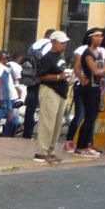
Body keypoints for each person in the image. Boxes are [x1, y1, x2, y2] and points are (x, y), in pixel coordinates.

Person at [27, 29, 73, 163]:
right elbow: (40, 76)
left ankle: (51, 150)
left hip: (61, 92)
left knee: (57, 123)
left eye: (65, 43)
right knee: (47, 122)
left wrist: (66, 78)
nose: (64, 45)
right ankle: (42, 151)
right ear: (53, 43)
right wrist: (59, 77)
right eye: (61, 43)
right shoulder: (47, 58)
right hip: (50, 91)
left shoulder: (60, 58)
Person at [69, 26, 105, 156]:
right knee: (87, 117)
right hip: (88, 87)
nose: (99, 39)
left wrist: (102, 72)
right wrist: (81, 78)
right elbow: (96, 70)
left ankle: (86, 144)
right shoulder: (87, 53)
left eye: (101, 36)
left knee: (92, 117)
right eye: (96, 36)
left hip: (97, 87)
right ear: (91, 38)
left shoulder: (101, 53)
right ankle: (80, 145)